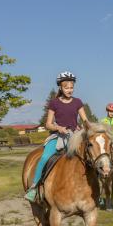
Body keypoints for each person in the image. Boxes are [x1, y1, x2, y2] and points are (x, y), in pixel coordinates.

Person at [24, 71, 88, 202]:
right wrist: (58, 127)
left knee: (90, 156)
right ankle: (34, 187)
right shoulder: (54, 103)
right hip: (58, 136)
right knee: (45, 157)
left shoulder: (77, 102)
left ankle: (97, 190)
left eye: (71, 87)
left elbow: (85, 120)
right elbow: (48, 124)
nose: (69, 90)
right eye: (66, 87)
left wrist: (88, 128)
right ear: (61, 87)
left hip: (74, 137)